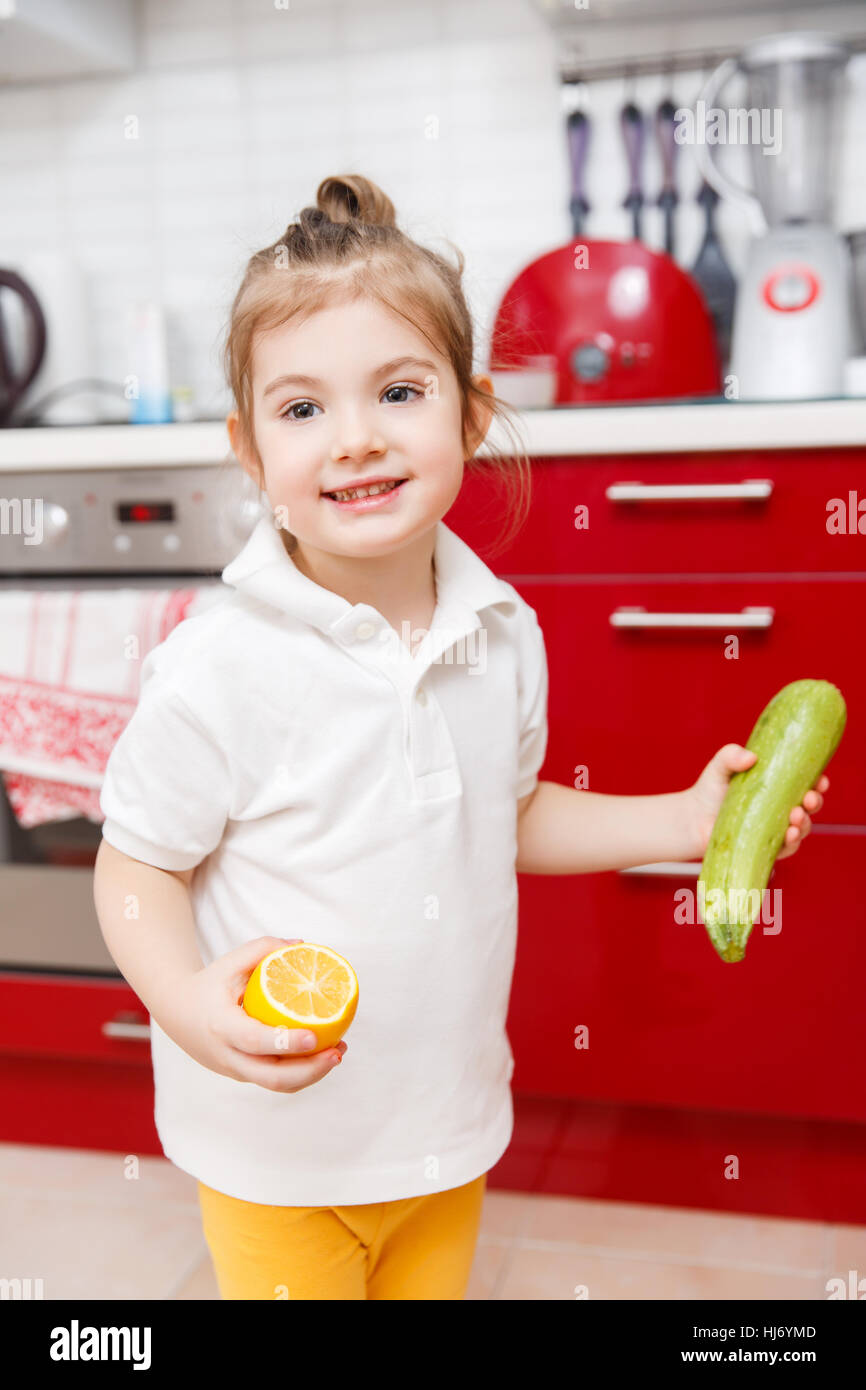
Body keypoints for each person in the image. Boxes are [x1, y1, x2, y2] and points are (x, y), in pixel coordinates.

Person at [92, 174, 828, 1301]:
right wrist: (185, 1002)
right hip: (275, 1151)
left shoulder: (501, 629)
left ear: (470, 414)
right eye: (301, 409)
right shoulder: (221, 664)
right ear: (248, 449)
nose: (354, 440)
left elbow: (512, 809)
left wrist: (687, 819)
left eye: (396, 391)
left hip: (447, 1125)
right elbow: (137, 862)